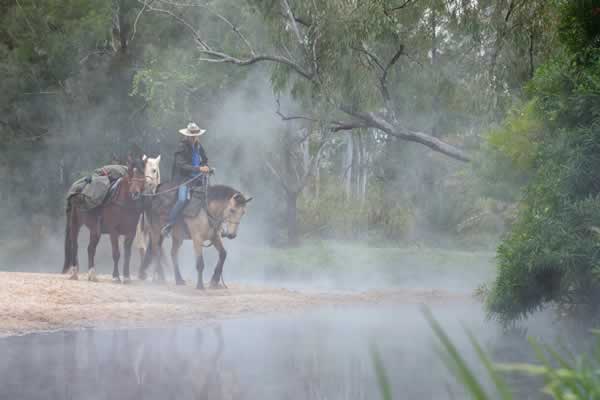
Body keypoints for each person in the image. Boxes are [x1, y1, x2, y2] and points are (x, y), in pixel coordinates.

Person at [161, 122, 210, 237]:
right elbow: (181, 165)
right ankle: (169, 224)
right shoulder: (181, 147)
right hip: (183, 179)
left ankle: (211, 225)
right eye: (192, 136)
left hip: (198, 179)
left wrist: (206, 167)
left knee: (208, 197)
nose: (194, 138)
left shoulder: (199, 146)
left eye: (196, 135)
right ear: (187, 136)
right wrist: (199, 168)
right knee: (182, 200)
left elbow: (205, 160)